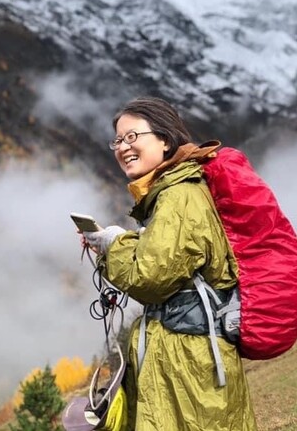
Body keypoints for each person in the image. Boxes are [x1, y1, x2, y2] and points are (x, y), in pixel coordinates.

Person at [80, 96, 257, 431]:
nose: (123, 147)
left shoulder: (179, 195)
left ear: (164, 139)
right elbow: (163, 259)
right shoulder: (169, 194)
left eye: (133, 136)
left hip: (188, 359)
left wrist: (113, 246)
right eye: (118, 140)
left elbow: (151, 277)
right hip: (180, 355)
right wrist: (110, 243)